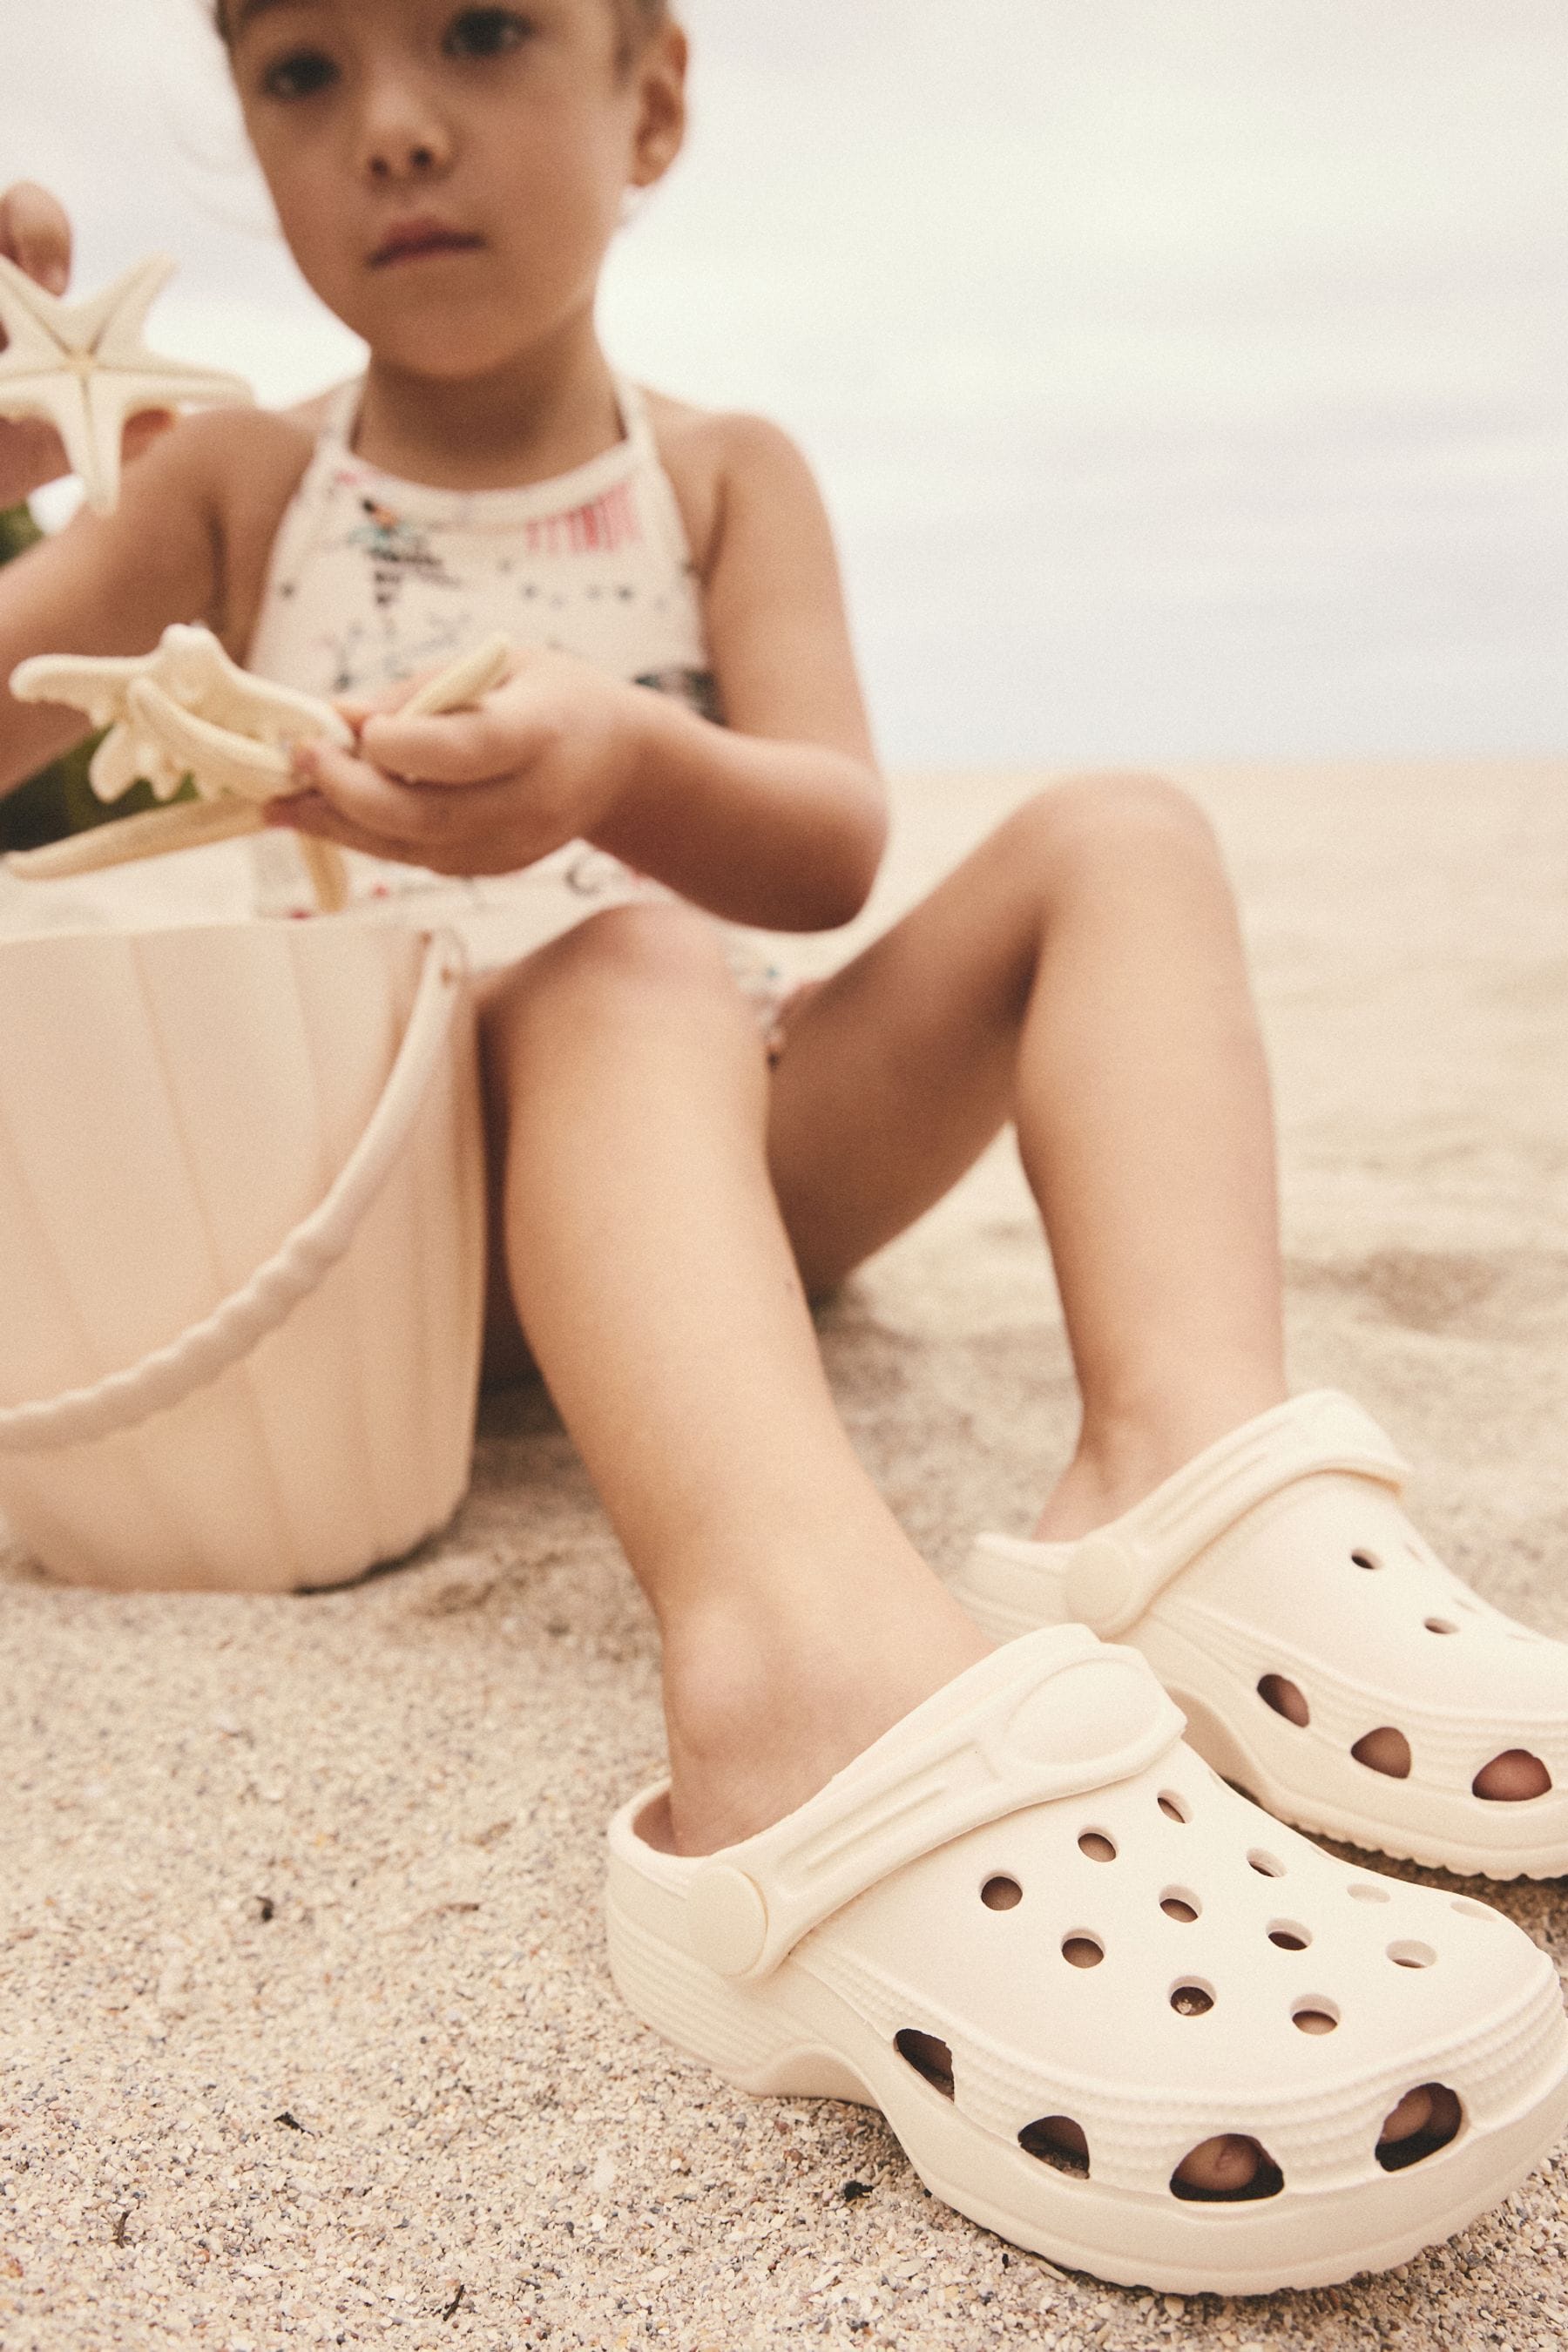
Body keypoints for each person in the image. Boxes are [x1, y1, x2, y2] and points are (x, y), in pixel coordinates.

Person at [2, 1, 1565, 2293]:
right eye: (301, 72)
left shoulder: (724, 473)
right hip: (386, 1222)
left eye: (478, 30)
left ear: (651, 100)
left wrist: (617, 768)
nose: (394, 125)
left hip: (708, 1191)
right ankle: (793, 1669)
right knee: (616, 965)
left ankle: (1182, 1460)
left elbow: (832, 844)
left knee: (1119, 833)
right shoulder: (232, 488)